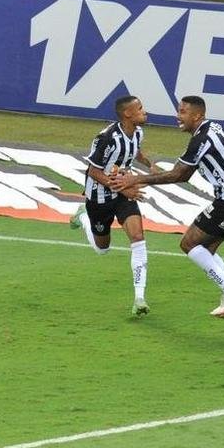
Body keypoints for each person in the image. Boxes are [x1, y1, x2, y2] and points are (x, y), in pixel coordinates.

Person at [111, 96, 224, 318]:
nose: (178, 116)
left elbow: (179, 175)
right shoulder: (211, 128)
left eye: (182, 112)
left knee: (189, 244)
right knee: (205, 249)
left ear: (197, 115)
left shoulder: (201, 139)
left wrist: (135, 180)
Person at [70, 95, 160, 317]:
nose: (144, 111)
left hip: (122, 192)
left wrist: (149, 164)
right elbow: (93, 171)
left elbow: (135, 150)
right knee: (103, 248)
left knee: (138, 237)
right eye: (139, 108)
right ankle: (84, 217)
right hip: (99, 196)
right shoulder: (107, 138)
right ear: (127, 114)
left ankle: (139, 297)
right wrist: (123, 188)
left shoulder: (138, 132)